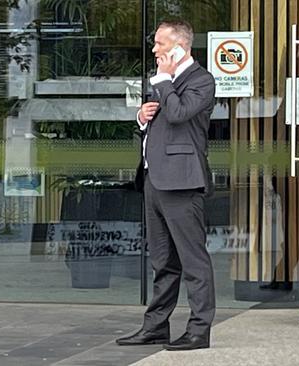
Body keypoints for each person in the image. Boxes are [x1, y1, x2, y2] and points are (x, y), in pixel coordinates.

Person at [116, 20, 216, 351]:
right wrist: (141, 119)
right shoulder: (162, 81)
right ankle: (156, 327)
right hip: (154, 180)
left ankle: (199, 330)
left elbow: (178, 114)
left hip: (183, 183)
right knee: (163, 262)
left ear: (178, 47)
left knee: (193, 261)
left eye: (160, 44)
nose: (154, 49)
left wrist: (163, 81)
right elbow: (159, 124)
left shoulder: (201, 80)